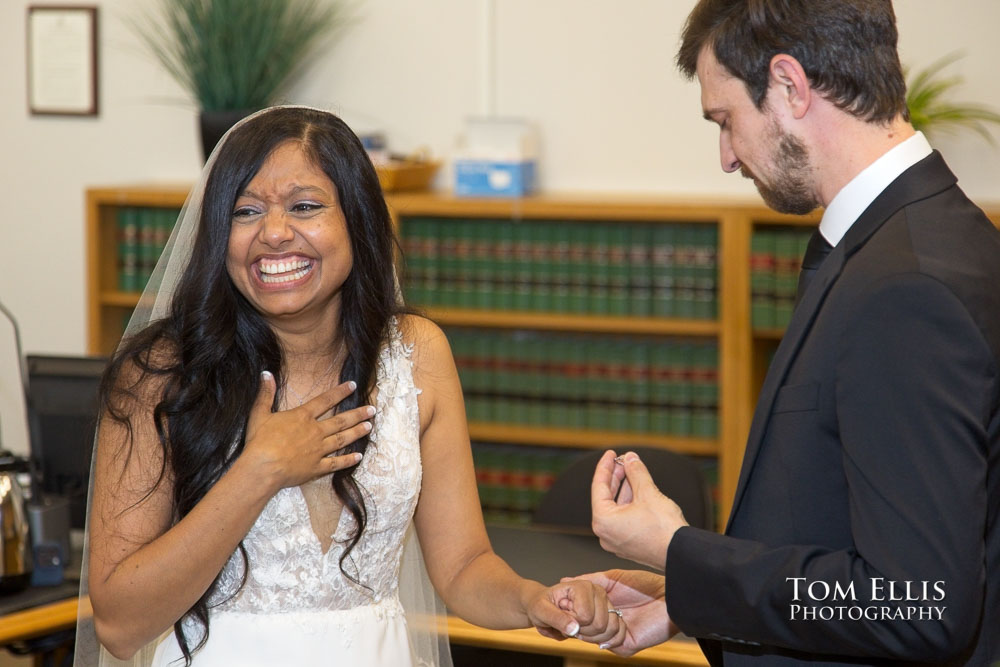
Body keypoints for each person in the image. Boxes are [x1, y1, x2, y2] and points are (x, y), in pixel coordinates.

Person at [75, 106, 626, 667]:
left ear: (356, 220)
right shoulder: (160, 375)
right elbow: (119, 625)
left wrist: (534, 600)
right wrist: (259, 470)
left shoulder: (417, 354)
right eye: (246, 211)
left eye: (305, 206)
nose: (274, 233)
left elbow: (463, 567)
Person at [577, 1, 1000, 665]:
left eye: (726, 121)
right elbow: (836, 533)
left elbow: (920, 604)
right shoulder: (914, 240)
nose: (726, 156)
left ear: (788, 86)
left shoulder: (904, 289)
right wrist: (689, 595)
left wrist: (679, 548)